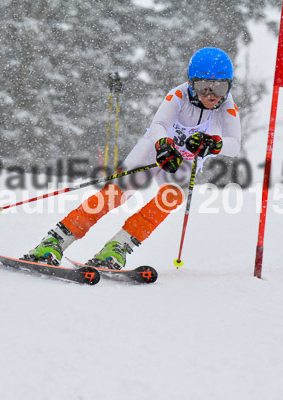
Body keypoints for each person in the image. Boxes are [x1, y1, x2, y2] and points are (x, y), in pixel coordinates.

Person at [23, 47, 241, 269]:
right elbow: (159, 125)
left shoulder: (227, 106)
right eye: (203, 87)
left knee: (171, 197)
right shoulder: (178, 95)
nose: (211, 95)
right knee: (116, 194)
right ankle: (55, 240)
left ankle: (117, 247)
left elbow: (234, 144)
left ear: (229, 86)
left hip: (184, 162)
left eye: (220, 87)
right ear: (191, 83)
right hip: (155, 150)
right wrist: (163, 145)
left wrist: (215, 144)